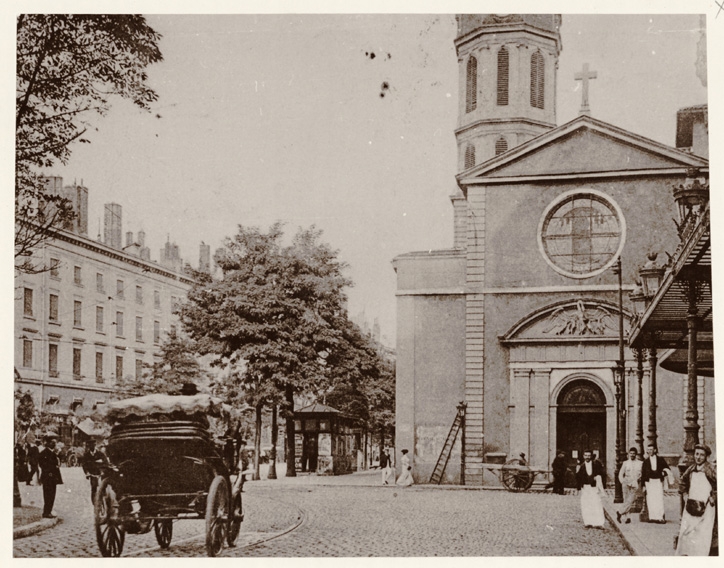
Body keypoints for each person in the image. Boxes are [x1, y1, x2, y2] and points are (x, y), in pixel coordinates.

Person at [676, 444, 718, 556]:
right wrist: (685, 494)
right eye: (697, 454)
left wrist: (713, 497)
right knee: (687, 531)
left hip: (706, 508)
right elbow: (682, 482)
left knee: (702, 533)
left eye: (702, 455)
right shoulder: (691, 469)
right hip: (691, 505)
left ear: (706, 457)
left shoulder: (710, 470)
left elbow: (718, 485)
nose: (698, 457)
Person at [641, 443, 671, 523]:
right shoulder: (646, 462)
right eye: (648, 450)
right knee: (650, 499)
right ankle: (652, 517)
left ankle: (660, 517)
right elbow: (643, 474)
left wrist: (663, 473)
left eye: (651, 449)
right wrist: (643, 485)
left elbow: (667, 469)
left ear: (655, 450)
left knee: (659, 499)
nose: (649, 451)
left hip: (657, 481)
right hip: (649, 482)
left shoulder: (660, 460)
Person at [575, 449, 606, 528]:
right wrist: (578, 488)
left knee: (596, 504)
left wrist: (598, 478)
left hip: (594, 487)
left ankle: (599, 523)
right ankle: (588, 522)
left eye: (589, 455)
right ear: (583, 456)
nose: (587, 457)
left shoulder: (596, 465)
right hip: (586, 488)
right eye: (586, 455)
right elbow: (578, 478)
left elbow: (602, 474)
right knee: (586, 505)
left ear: (591, 456)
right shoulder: (581, 466)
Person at [38, 433, 63, 518]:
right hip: (48, 477)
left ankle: (49, 511)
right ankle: (46, 512)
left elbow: (58, 462)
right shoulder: (44, 453)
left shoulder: (53, 453)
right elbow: (43, 465)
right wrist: (49, 472)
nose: (54, 444)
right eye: (52, 442)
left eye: (55, 443)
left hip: (53, 477)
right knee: (48, 495)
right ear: (48, 443)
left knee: (52, 495)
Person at [617, 447, 643, 524]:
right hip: (626, 483)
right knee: (626, 499)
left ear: (636, 454)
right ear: (629, 454)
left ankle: (619, 512)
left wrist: (639, 479)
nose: (632, 455)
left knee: (631, 500)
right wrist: (623, 482)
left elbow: (641, 473)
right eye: (631, 453)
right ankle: (627, 517)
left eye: (633, 453)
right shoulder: (625, 463)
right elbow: (620, 474)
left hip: (634, 484)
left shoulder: (640, 463)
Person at [81, 439, 107, 504]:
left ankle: (105, 502)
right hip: (93, 474)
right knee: (94, 488)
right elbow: (84, 465)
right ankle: (95, 504)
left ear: (95, 445)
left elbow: (106, 462)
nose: (91, 446)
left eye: (93, 445)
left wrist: (103, 471)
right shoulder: (86, 455)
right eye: (90, 445)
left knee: (104, 488)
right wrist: (87, 473)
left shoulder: (100, 454)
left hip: (101, 473)